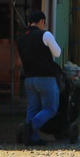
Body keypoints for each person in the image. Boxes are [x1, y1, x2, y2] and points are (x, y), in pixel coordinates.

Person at [16, 10, 61, 147]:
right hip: (45, 77)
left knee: (33, 108)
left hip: (29, 79)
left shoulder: (21, 38)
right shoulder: (45, 34)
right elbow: (57, 53)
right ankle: (29, 127)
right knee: (50, 108)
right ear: (42, 21)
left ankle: (32, 138)